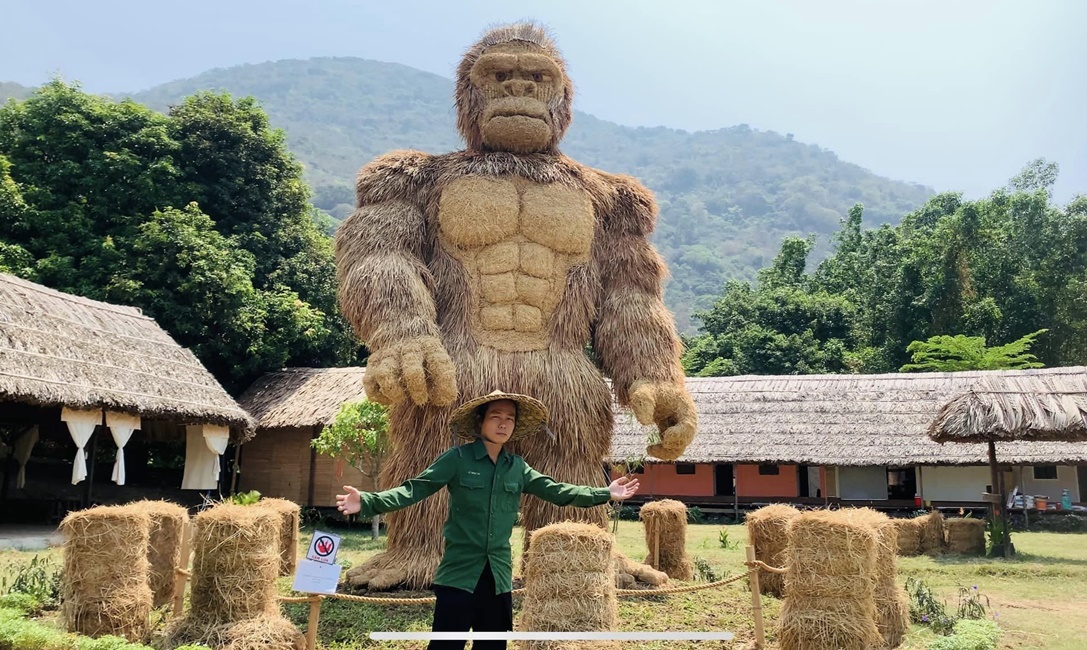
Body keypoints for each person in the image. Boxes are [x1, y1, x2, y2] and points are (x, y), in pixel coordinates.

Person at [336, 390, 640, 650]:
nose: (503, 423)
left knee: (493, 646)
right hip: (458, 576)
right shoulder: (457, 459)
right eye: (496, 416)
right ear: (481, 421)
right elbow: (413, 489)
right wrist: (368, 501)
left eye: (509, 418)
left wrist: (605, 492)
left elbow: (558, 491)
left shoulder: (517, 467)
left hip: (498, 579)